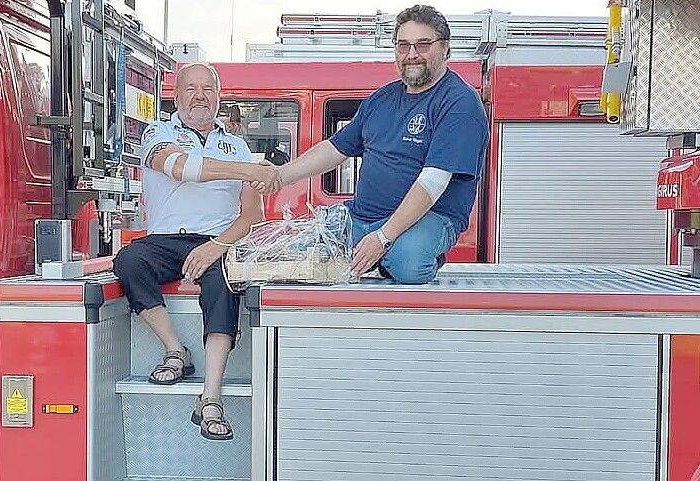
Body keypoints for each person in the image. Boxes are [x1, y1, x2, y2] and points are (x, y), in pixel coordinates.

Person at [257, 4, 488, 284]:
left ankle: (407, 252)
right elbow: (334, 149)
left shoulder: (459, 102)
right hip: (362, 216)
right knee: (298, 255)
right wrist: (279, 176)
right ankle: (383, 252)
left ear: (446, 49)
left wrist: (382, 237)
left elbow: (433, 182)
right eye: (403, 46)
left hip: (431, 217)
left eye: (423, 45)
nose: (411, 54)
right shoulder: (380, 99)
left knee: (409, 265)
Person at [113, 63, 273, 441]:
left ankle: (211, 397)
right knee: (129, 260)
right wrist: (248, 169)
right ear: (177, 95)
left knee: (226, 280)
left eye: (208, 89)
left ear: (219, 97)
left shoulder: (237, 145)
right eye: (191, 89)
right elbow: (180, 167)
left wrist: (217, 246)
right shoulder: (158, 132)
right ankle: (175, 351)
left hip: (218, 240)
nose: (199, 96)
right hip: (165, 241)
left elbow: (253, 215)